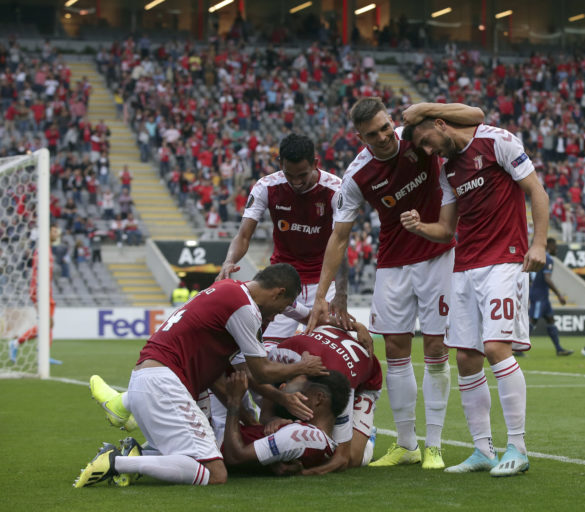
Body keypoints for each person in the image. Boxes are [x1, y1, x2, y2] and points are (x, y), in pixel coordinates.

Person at [307, 97, 484, 470]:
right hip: (393, 263)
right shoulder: (358, 175)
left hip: (438, 255)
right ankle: (407, 444)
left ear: (391, 121)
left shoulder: (416, 136)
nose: (385, 137)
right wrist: (323, 295)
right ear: (361, 138)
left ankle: (433, 445)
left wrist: (426, 108)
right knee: (395, 349)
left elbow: (473, 118)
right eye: (373, 134)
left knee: (436, 348)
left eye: (386, 127)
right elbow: (339, 237)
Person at [73, 264, 328, 488]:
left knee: (197, 456)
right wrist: (302, 366)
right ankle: (117, 462)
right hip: (165, 382)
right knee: (214, 473)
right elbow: (261, 370)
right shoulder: (244, 308)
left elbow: (244, 372)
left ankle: (129, 436)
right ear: (278, 292)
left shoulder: (230, 290)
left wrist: (276, 400)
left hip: (155, 378)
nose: (275, 315)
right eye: (281, 308)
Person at [400, 102, 549, 477]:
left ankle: (518, 447)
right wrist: (420, 226)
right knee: (466, 358)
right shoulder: (447, 171)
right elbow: (446, 230)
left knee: (496, 348)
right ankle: (483, 449)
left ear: (440, 124)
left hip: (504, 260)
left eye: (428, 142)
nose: (429, 151)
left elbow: (536, 190)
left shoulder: (496, 141)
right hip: (464, 266)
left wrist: (539, 243)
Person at [217, 134, 349, 352]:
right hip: (282, 284)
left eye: (302, 175)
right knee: (265, 353)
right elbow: (243, 235)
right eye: (289, 174)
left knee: (328, 354)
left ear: (315, 163)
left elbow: (341, 243)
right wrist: (229, 261)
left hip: (324, 282)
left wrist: (341, 294)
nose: (296, 182)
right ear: (280, 164)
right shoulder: (266, 186)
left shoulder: (336, 190)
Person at [236, 324, 382, 474]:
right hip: (327, 356)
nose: (282, 387)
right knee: (296, 421)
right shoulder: (275, 359)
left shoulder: (339, 384)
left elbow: (342, 459)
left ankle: (367, 440)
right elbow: (266, 415)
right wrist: (275, 420)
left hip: (365, 383)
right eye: (281, 386)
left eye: (285, 386)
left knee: (352, 458)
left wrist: (304, 473)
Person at [221, 370, 349, 475]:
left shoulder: (302, 434)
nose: (297, 396)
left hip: (216, 443)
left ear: (319, 399)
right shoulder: (320, 442)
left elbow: (235, 456)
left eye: (304, 392)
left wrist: (234, 401)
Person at [8, 227, 61, 365]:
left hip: (47, 291)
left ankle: (42, 354)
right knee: (46, 323)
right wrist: (36, 294)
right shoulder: (41, 250)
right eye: (54, 231)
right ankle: (17, 343)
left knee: (48, 324)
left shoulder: (48, 250)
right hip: (40, 291)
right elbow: (36, 274)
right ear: (47, 232)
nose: (57, 234)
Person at [529, 238, 572, 356]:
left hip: (542, 295)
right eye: (555, 245)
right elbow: (547, 279)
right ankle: (518, 348)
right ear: (549, 246)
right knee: (533, 319)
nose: (556, 248)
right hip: (539, 295)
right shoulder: (547, 258)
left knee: (550, 319)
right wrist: (559, 295)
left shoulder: (540, 257)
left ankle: (559, 349)